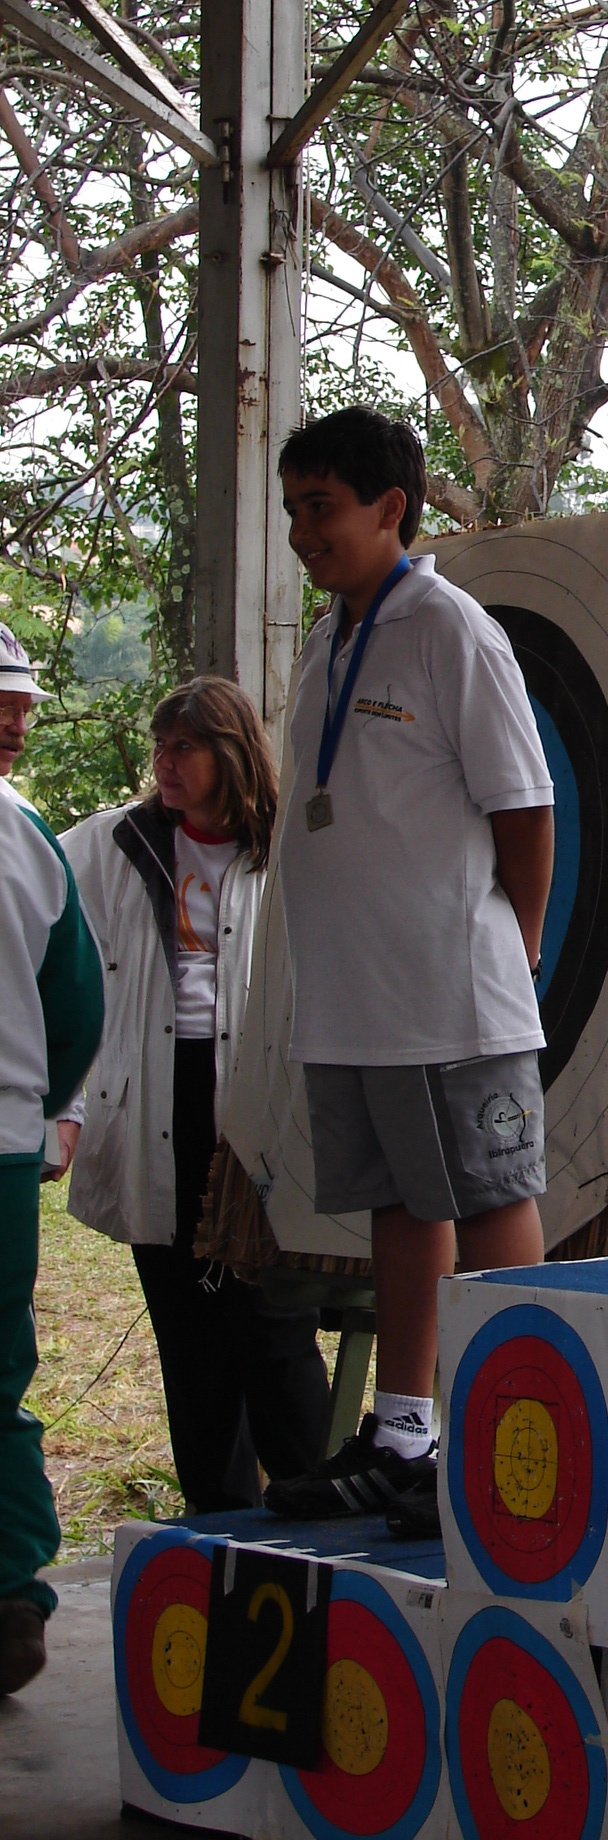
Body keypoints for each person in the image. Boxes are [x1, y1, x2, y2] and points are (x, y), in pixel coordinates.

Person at [263, 406, 554, 1526]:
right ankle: (403, 1431)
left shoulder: (450, 628)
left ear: (392, 507)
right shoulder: (333, 637)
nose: (302, 532)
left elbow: (526, 805)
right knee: (397, 1204)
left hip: (452, 991)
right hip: (355, 999)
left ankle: (508, 1444)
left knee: (489, 1201)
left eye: (320, 507)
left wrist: (514, 954)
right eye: (292, 509)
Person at [56, 679, 331, 1513]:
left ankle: (313, 1505)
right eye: (161, 748)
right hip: (159, 1103)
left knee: (274, 1325)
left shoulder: (287, 844)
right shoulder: (117, 844)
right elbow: (30, 888)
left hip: (264, 1105)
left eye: (185, 748)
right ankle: (219, 1518)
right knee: (189, 1333)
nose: (164, 765)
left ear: (230, 753)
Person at [0, 625, 103, 1695]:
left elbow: (76, 1008)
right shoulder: (22, 830)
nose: (18, 717)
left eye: (23, 700)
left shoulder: (24, 827)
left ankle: (11, 1602)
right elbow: (75, 1010)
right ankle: (12, 1594)